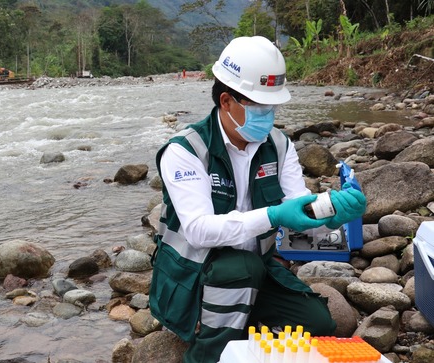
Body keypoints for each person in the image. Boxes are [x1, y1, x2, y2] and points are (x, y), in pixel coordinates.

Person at [149, 36, 367, 363]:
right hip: (193, 273)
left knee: (318, 322)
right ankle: (205, 353)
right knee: (241, 267)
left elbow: (300, 209)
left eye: (272, 106)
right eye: (259, 106)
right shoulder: (186, 151)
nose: (268, 115)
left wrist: (332, 214)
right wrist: (275, 216)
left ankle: (238, 316)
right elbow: (197, 230)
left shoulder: (278, 145)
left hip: (255, 270)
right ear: (226, 102)